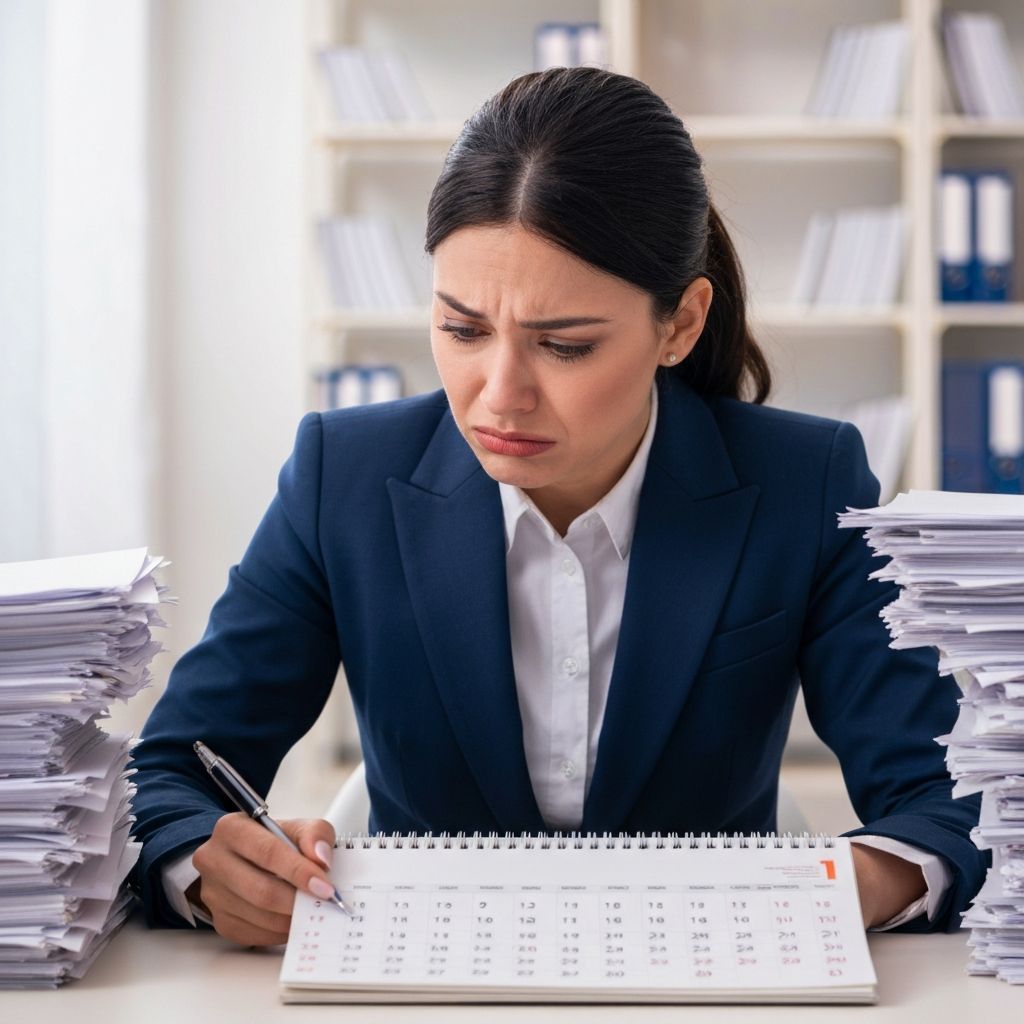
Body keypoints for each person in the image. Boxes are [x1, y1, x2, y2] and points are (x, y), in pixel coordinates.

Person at [129, 66, 987, 948]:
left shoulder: (805, 483)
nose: (499, 395)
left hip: (704, 980)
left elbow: (947, 798)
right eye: (463, 330)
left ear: (681, 324)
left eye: (564, 346)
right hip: (422, 981)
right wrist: (206, 870)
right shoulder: (341, 478)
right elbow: (169, 777)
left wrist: (847, 885)